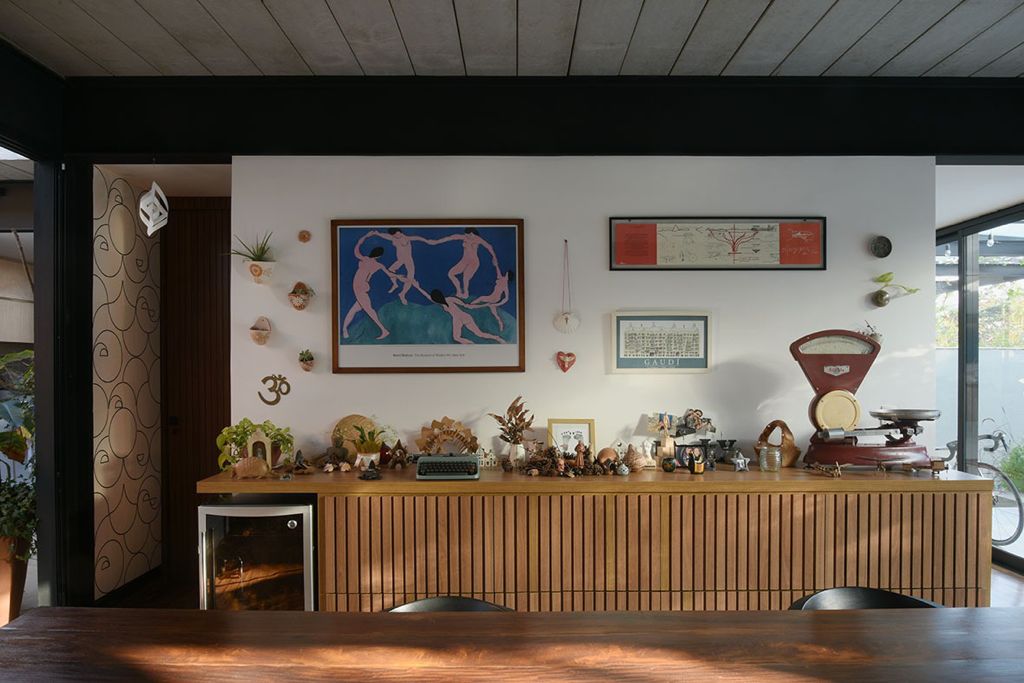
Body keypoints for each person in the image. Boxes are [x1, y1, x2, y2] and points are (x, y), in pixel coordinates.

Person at [342, 234, 399, 340]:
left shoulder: (365, 259)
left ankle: (384, 330)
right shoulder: (377, 264)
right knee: (355, 310)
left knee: (369, 310)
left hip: (360, 286)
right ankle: (345, 329)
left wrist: (364, 238)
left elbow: (356, 250)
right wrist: (398, 277)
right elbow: (390, 274)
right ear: (379, 256)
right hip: (361, 286)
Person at [431, 228, 500, 299]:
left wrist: (494, 257)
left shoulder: (478, 239)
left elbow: (489, 247)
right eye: (466, 235)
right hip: (464, 261)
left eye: (468, 235)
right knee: (451, 274)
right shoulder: (464, 237)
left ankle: (466, 294)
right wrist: (436, 242)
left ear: (472, 233)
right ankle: (459, 291)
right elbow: (450, 237)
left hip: (473, 262)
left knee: (465, 278)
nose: (467, 237)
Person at [372, 228, 431, 305]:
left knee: (410, 278)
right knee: (390, 270)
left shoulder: (408, 238)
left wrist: (431, 241)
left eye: (396, 234)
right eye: (394, 235)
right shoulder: (394, 238)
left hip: (408, 261)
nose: (395, 236)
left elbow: (422, 239)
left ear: (399, 232)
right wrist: (377, 233)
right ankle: (395, 284)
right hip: (400, 260)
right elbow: (386, 236)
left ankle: (402, 294)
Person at [429, 289, 505, 344]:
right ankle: (471, 345)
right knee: (456, 337)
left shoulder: (450, 299)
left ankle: (497, 338)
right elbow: (429, 297)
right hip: (456, 320)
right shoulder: (442, 304)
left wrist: (482, 305)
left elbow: (466, 305)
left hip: (464, 317)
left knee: (480, 334)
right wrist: (420, 289)